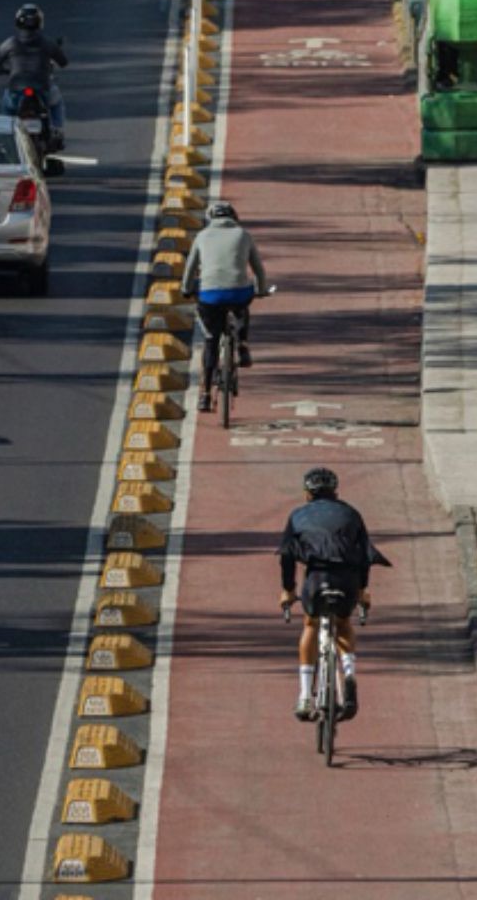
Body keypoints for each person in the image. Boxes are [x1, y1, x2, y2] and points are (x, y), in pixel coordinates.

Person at [278, 467, 390, 722]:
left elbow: (286, 555)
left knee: (310, 624)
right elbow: (365, 555)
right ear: (336, 492)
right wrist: (362, 591)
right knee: (342, 623)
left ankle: (305, 696)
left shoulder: (297, 515)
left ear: (307, 494)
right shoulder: (352, 514)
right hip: (347, 579)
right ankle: (349, 673)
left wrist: (288, 590)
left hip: (316, 579)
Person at [180, 200, 268, 413]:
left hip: (210, 296)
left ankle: (206, 395)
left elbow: (190, 269)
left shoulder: (202, 236)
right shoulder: (243, 235)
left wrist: (186, 289)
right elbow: (258, 269)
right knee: (241, 306)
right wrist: (262, 289)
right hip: (239, 293)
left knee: (211, 341)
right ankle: (243, 344)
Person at [0, 3, 68, 149]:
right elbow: (63, 61)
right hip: (42, 88)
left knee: (7, 108)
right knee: (56, 102)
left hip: (16, 89)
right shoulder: (47, 42)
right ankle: (57, 129)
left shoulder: (10, 42)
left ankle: (5, 134)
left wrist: (0, 68)